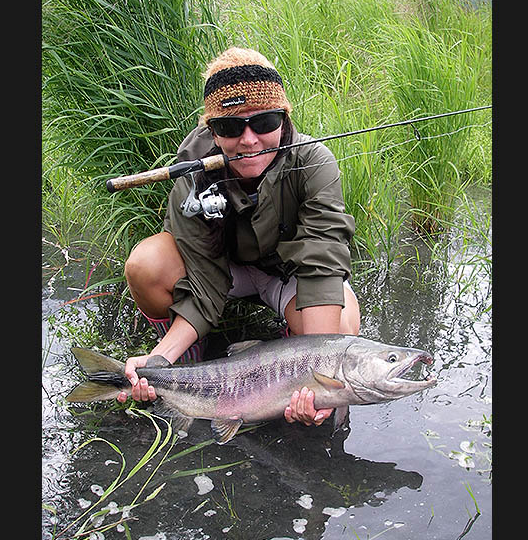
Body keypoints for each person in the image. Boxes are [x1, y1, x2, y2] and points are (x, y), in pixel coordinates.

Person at [117, 46, 360, 426]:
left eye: (264, 122)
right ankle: (182, 371)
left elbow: (321, 268)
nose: (249, 140)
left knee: (343, 325)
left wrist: (320, 384)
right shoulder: (192, 170)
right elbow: (205, 281)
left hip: (285, 273)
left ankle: (286, 366)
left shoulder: (314, 163)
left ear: (283, 119)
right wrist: (159, 360)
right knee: (146, 263)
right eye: (231, 127)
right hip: (222, 271)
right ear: (212, 131)